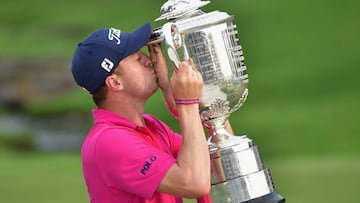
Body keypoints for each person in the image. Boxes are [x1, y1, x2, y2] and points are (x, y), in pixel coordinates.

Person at [71, 22, 212, 203]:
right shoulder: (108, 141)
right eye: (138, 59)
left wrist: (172, 92)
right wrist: (187, 103)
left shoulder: (152, 126)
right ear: (115, 83)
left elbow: (212, 165)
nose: (149, 60)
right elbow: (194, 182)